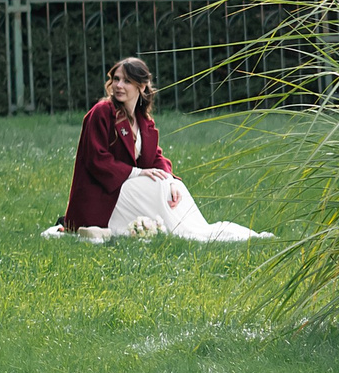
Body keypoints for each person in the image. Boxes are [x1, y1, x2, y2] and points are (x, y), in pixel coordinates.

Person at [44, 57, 270, 243]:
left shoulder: (144, 121)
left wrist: (170, 179)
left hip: (125, 188)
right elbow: (96, 160)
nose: (119, 86)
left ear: (141, 87)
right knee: (153, 184)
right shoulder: (102, 112)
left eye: (126, 81)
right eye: (116, 79)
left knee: (168, 184)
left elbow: (156, 158)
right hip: (103, 196)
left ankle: (195, 231)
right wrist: (137, 173)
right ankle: (184, 234)